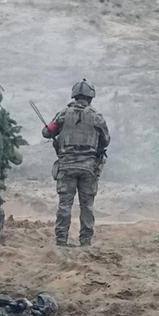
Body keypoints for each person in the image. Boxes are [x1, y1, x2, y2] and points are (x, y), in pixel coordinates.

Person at [42, 79, 109, 247]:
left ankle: (61, 241)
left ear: (74, 95)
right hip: (88, 168)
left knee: (65, 205)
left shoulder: (63, 114)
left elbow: (46, 132)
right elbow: (105, 141)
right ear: (90, 98)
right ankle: (85, 241)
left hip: (66, 167)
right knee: (87, 206)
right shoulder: (97, 117)